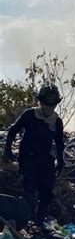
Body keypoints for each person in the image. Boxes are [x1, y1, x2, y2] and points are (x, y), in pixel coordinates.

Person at [2, 84, 65, 224]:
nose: (50, 108)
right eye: (48, 104)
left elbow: (60, 143)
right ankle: (25, 220)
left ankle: (39, 223)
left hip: (45, 158)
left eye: (53, 105)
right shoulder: (29, 115)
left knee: (47, 192)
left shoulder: (56, 121)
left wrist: (61, 161)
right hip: (27, 157)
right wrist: (7, 149)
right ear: (41, 102)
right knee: (29, 188)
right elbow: (13, 131)